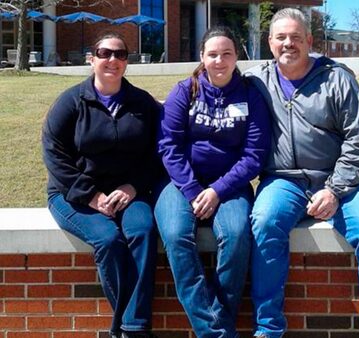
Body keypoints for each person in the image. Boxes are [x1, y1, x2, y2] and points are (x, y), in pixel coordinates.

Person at [245, 8, 359, 338]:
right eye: (281, 37)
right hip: (283, 180)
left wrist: (334, 189)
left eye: (297, 37)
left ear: (310, 41)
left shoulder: (337, 78)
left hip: (341, 181)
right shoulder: (257, 81)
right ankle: (268, 328)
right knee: (264, 221)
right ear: (269, 42)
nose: (289, 43)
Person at [155, 26, 271, 338]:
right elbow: (169, 146)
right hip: (181, 184)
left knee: (235, 235)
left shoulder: (250, 95)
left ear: (237, 57)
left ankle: (218, 323)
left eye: (227, 53)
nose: (219, 60)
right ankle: (215, 332)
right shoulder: (185, 91)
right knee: (177, 235)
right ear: (202, 58)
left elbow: (254, 155)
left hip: (230, 185)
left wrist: (218, 190)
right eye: (212, 54)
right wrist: (194, 191)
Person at [42, 32, 160, 338]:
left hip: (128, 194)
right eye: (104, 53)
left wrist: (133, 187)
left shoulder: (142, 103)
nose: (112, 60)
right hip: (73, 196)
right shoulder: (71, 102)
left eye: (120, 55)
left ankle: (131, 329)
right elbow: (54, 156)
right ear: (91, 59)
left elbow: (159, 154)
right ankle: (128, 327)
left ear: (126, 62)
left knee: (143, 231)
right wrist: (91, 195)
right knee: (108, 240)